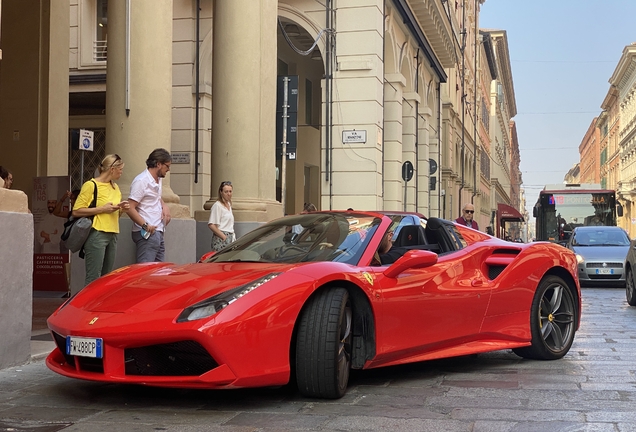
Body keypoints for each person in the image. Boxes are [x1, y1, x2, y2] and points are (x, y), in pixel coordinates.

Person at [72, 154, 130, 286]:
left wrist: (121, 209)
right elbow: (76, 211)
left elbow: (113, 213)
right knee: (93, 277)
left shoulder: (116, 188)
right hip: (97, 233)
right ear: (112, 169)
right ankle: (87, 305)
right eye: (120, 169)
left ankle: (100, 305)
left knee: (107, 278)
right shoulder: (91, 185)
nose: (121, 172)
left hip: (113, 233)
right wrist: (102, 209)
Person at [127, 148, 172, 263]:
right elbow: (129, 207)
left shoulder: (157, 179)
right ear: (158, 164)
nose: (168, 169)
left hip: (158, 230)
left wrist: (164, 206)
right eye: (167, 166)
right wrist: (145, 225)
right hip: (147, 232)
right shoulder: (141, 181)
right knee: (145, 271)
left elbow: (154, 196)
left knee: (158, 272)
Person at [208, 181, 235, 252]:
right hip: (221, 237)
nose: (229, 194)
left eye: (230, 191)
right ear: (221, 192)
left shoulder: (229, 204)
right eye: (226, 192)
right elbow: (211, 224)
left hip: (231, 236)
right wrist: (224, 237)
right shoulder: (217, 205)